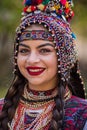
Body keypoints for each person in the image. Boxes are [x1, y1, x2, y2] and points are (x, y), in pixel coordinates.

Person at [0, 0, 87, 130]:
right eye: (24, 51)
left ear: (64, 56)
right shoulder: (2, 109)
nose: (32, 60)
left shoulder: (82, 115)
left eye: (44, 50)